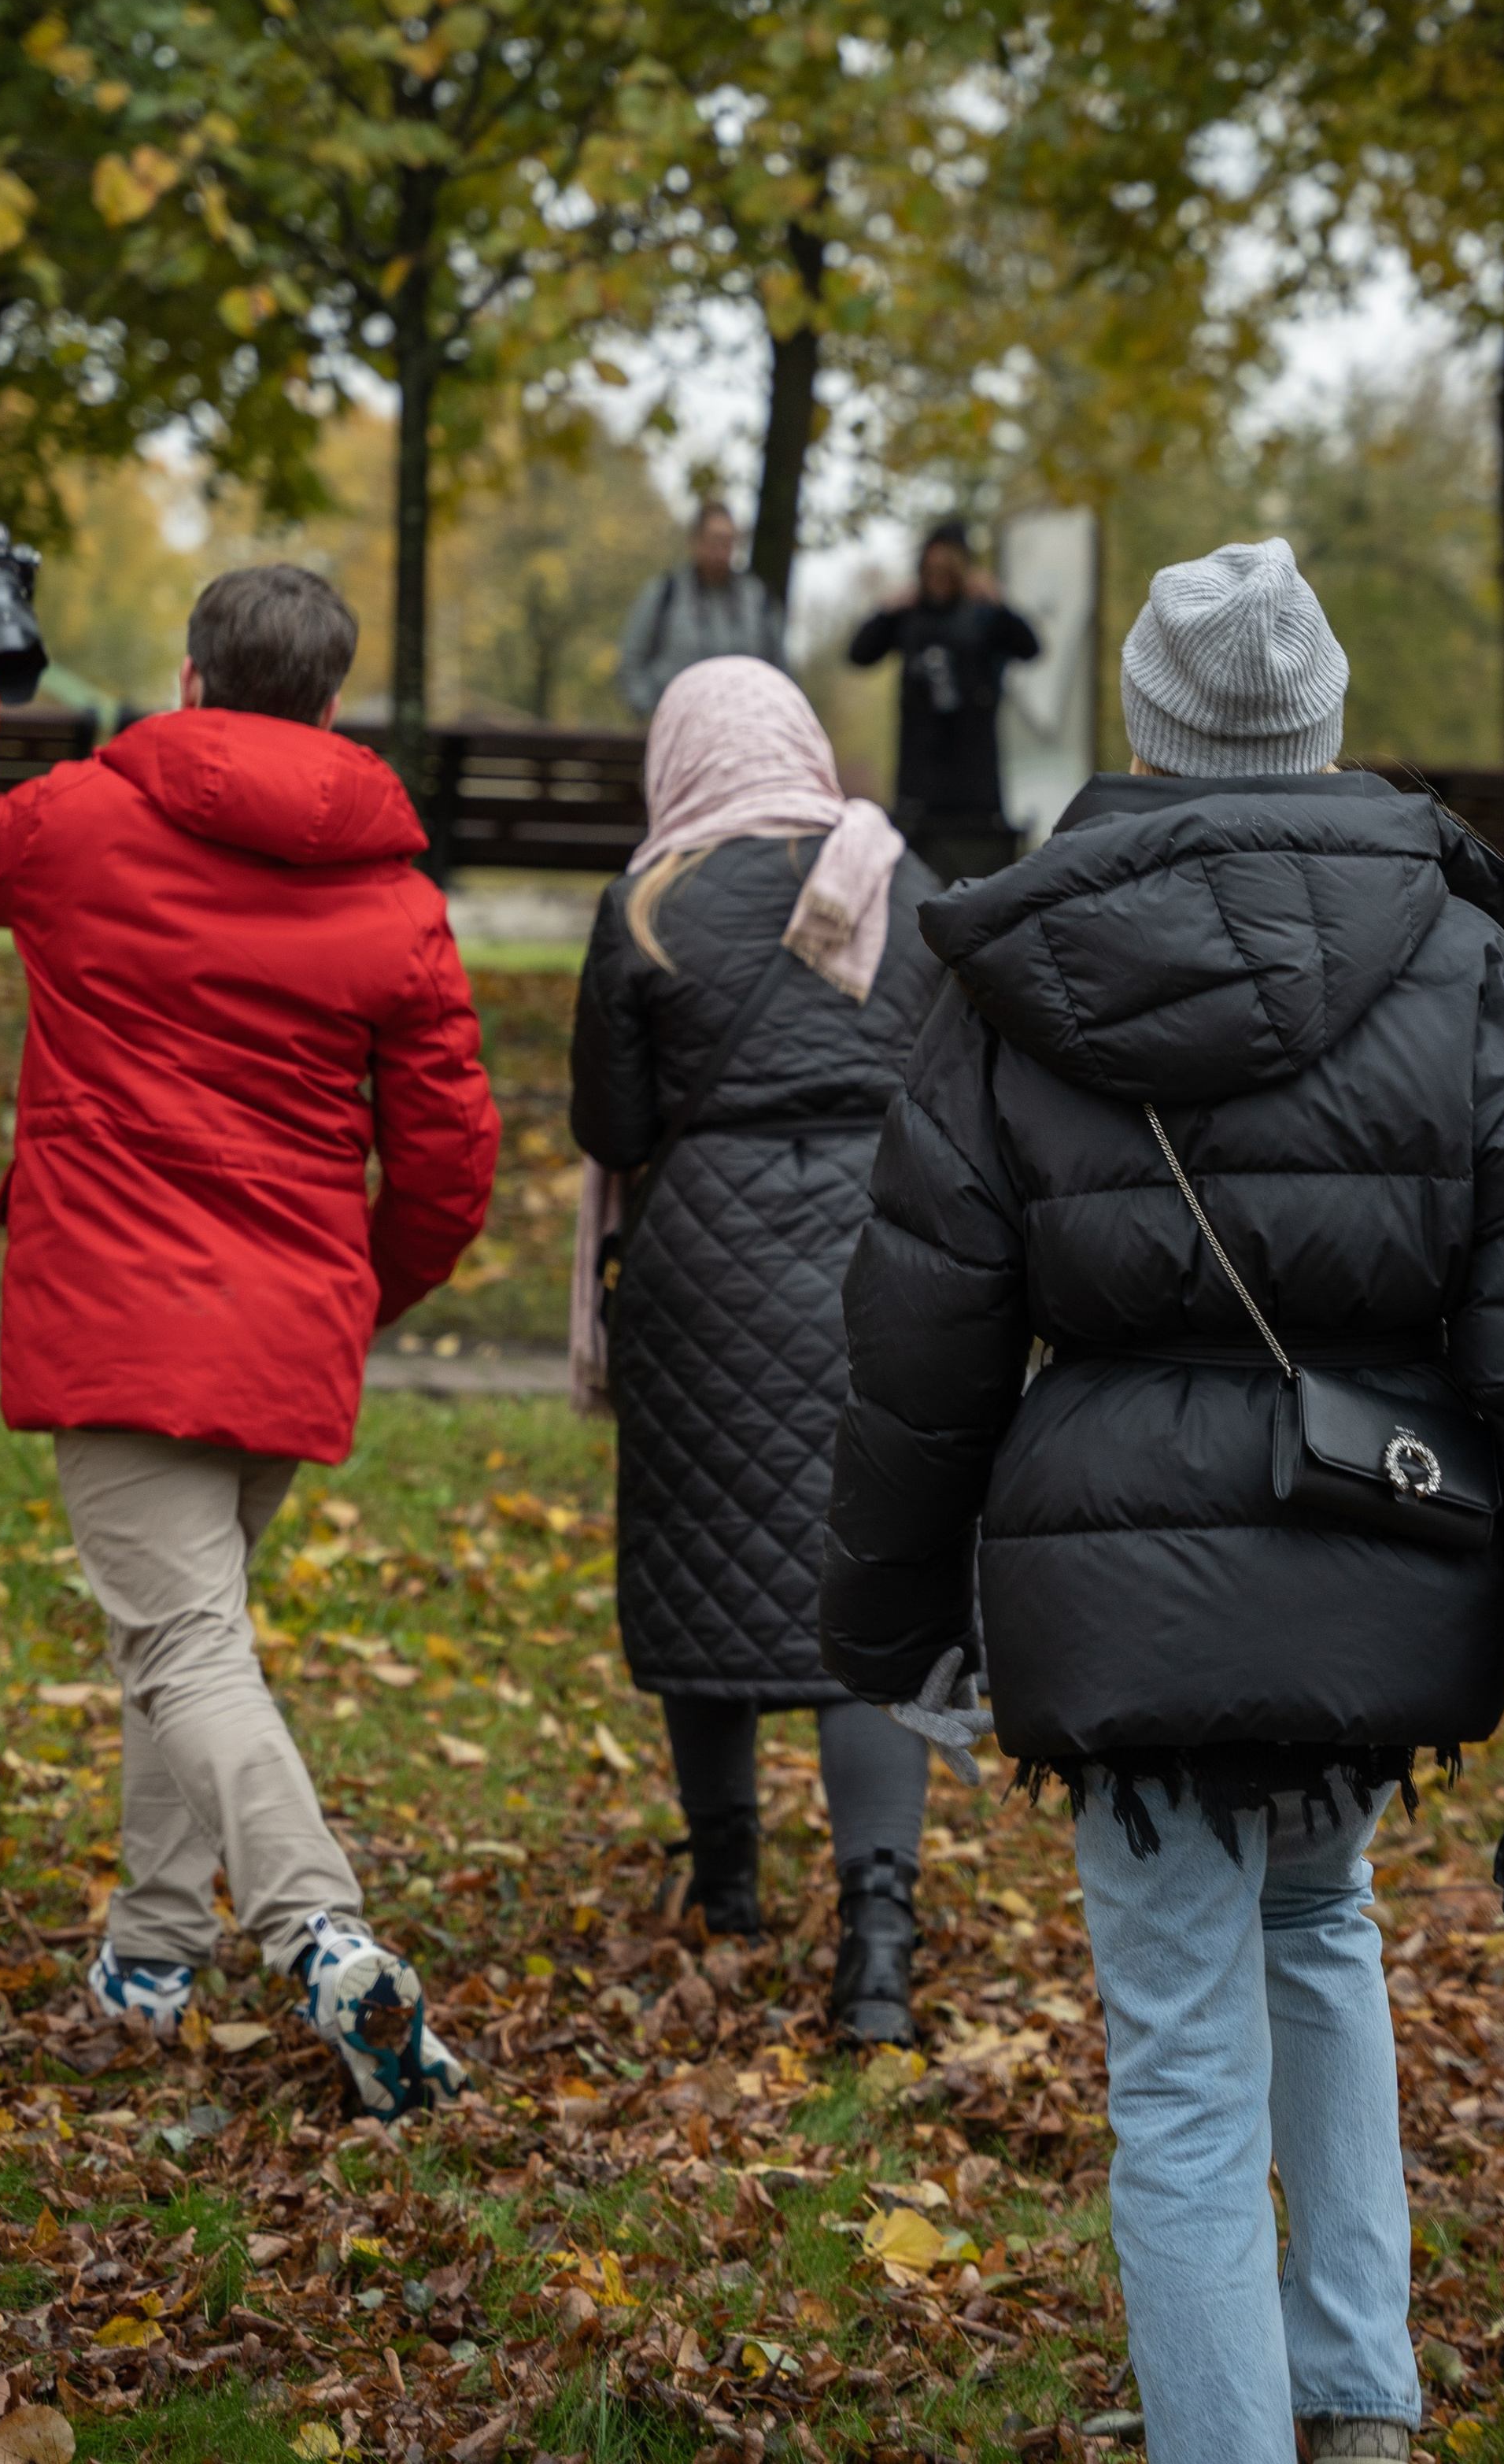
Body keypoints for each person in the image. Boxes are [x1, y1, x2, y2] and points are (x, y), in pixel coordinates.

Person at [822, 536, 1504, 2464]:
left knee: (1186, 2064)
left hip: (1117, 1590)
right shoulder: (1460, 957)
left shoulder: (1015, 966)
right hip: (1377, 1551)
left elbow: (922, 1325)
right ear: (1322, 723)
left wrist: (893, 1631)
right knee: (1320, 1925)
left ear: (1144, 721)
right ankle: (1357, 2399)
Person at [0, 562, 501, 2118]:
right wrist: (356, 1291)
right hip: (281, 1325)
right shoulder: (397, 901)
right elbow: (449, 1162)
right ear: (333, 700)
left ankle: (316, 1930)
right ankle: (152, 1952)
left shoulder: (84, 818)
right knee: (191, 1631)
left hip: (122, 1318)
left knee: (182, 1645)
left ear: (191, 676)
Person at [568, 655, 945, 2040]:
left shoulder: (648, 905)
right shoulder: (902, 885)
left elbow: (610, 1128)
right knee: (873, 1611)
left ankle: (727, 1893)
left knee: (705, 1571)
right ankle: (881, 1945)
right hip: (886, 1268)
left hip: (700, 1277)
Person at [847, 518, 1040, 882]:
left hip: (975, 788)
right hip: (919, 787)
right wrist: (887, 609)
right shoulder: (909, 616)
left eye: (946, 569)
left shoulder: (983, 615)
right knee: (916, 889)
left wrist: (1000, 603)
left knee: (978, 884)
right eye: (930, 569)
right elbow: (859, 654)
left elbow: (1030, 647)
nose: (938, 578)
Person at [616, 498, 785, 719]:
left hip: (744, 728)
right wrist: (652, 713)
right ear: (695, 542)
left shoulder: (758, 598)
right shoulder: (666, 593)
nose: (721, 550)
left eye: (728, 542)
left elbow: (780, 671)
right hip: (677, 728)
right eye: (714, 540)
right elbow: (630, 663)